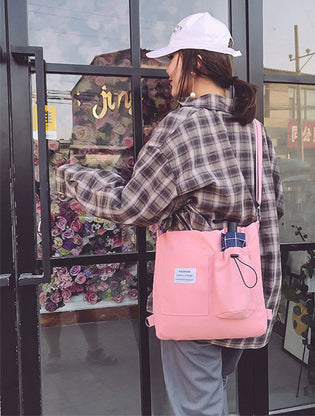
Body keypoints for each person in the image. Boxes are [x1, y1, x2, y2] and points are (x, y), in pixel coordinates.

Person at [56, 12, 283, 416]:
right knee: (210, 395)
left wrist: (72, 175)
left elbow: (134, 205)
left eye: (172, 58)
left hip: (195, 295)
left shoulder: (181, 126)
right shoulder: (254, 130)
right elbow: (272, 207)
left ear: (194, 62)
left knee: (198, 406)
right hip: (246, 292)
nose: (167, 69)